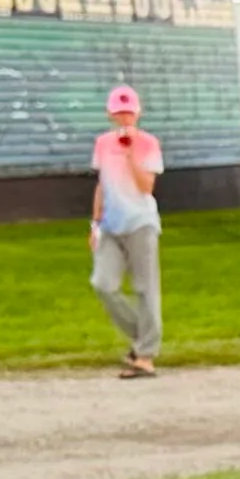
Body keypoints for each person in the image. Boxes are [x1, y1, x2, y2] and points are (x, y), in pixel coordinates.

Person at [90, 85, 165, 378]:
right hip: (111, 224)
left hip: (140, 222)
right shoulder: (102, 144)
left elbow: (146, 186)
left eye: (128, 112)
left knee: (145, 287)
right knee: (103, 283)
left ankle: (145, 355)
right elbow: (102, 183)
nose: (124, 118)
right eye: (119, 112)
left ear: (137, 113)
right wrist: (95, 222)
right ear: (110, 114)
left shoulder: (148, 143)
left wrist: (131, 151)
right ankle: (143, 335)